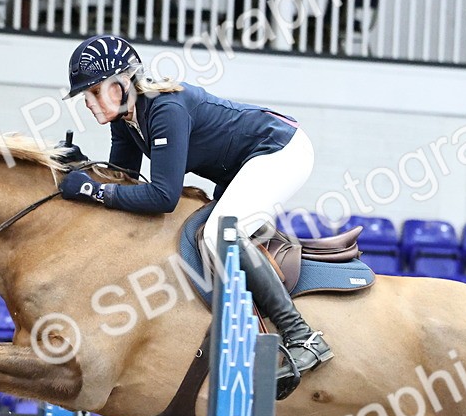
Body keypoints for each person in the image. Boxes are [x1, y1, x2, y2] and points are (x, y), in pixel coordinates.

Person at [56, 34, 332, 395]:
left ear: (123, 83)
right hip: (244, 164)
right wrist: (83, 168)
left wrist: (90, 189)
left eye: (94, 92)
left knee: (222, 233)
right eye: (86, 96)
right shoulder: (126, 120)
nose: (89, 104)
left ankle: (302, 336)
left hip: (281, 150)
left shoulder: (166, 110)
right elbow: (123, 179)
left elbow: (162, 196)